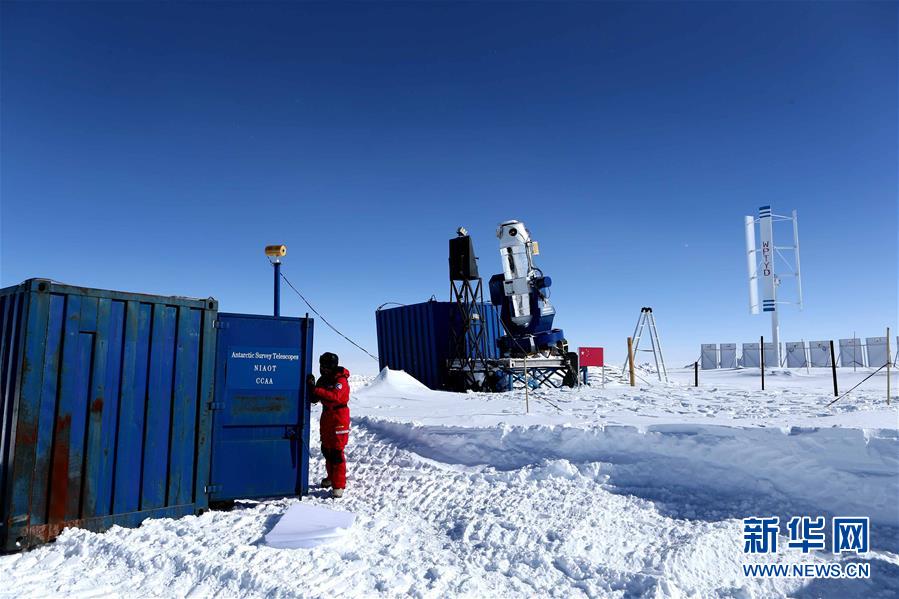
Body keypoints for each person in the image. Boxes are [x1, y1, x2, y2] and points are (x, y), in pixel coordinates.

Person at [306, 352, 350, 498]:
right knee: (327, 449)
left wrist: (316, 389)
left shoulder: (340, 380)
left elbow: (335, 396)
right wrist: (310, 387)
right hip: (327, 417)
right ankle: (331, 478)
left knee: (337, 452)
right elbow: (315, 398)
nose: (323, 369)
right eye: (322, 366)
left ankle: (339, 485)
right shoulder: (323, 380)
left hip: (339, 417)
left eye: (326, 366)